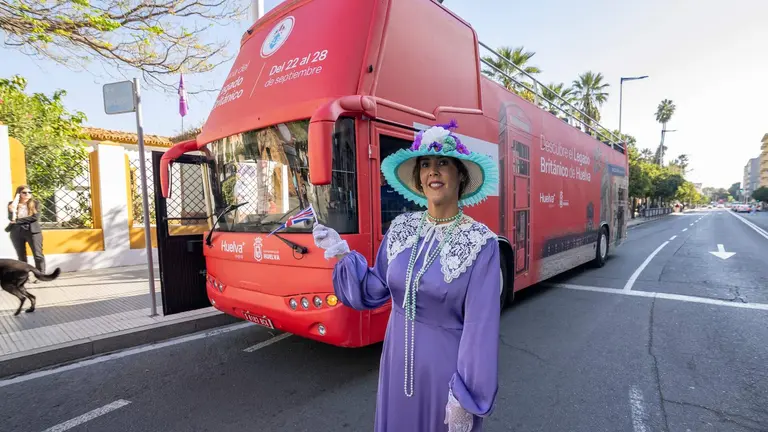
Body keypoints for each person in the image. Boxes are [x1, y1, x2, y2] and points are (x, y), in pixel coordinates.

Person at [313, 121, 501, 432]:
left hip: (444, 375)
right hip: (395, 365)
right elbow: (374, 288)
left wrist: (466, 398)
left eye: (443, 163)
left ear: (460, 175)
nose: (433, 171)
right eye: (425, 164)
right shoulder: (402, 228)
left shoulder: (482, 244)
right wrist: (341, 252)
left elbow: (480, 330)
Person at [6, 185, 46, 279]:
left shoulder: (35, 203)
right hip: (16, 232)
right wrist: (12, 211)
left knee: (38, 255)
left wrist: (18, 221)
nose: (27, 194)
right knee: (21, 256)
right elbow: (10, 218)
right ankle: (24, 276)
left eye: (29, 192)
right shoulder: (12, 204)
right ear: (19, 194)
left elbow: (35, 217)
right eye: (24, 192)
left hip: (33, 231)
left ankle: (41, 274)